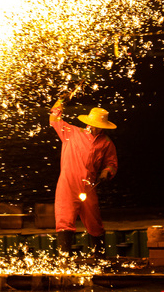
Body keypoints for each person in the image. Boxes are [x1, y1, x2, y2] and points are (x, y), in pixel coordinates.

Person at [49, 95, 118, 256]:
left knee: (94, 220)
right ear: (89, 123)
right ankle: (64, 258)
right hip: (68, 184)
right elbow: (53, 118)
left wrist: (106, 172)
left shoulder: (106, 143)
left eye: (101, 127)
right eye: (96, 125)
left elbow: (112, 163)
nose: (98, 128)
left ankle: (99, 256)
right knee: (64, 219)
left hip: (89, 185)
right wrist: (61, 102)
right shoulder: (71, 132)